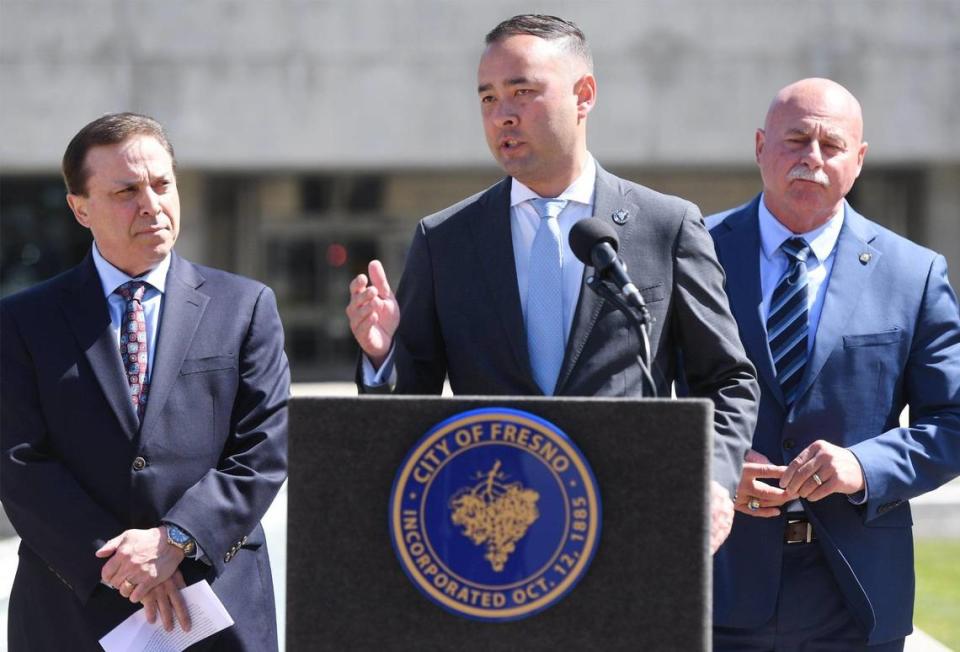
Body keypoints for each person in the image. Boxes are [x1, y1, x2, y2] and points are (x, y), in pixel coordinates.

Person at [346, 14, 759, 554]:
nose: (503, 115)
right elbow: (412, 404)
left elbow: (727, 379)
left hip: (632, 523)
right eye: (488, 99)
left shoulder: (667, 225)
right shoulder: (445, 239)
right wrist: (383, 359)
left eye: (523, 92)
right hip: (497, 532)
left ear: (584, 95)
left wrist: (711, 480)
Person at [0, 113, 289, 650]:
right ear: (80, 208)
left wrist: (175, 540)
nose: (152, 205)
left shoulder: (245, 306)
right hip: (72, 608)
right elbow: (17, 459)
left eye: (162, 185)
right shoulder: (21, 322)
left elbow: (263, 451)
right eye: (127, 190)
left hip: (214, 604)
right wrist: (124, 564)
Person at [708, 78, 960, 650]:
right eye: (795, 139)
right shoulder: (694, 251)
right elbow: (640, 397)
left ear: (860, 159)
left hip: (855, 594)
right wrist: (711, 466)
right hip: (718, 580)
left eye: (832, 145)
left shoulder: (913, 274)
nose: (812, 159)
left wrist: (863, 466)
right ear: (759, 146)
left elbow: (953, 420)